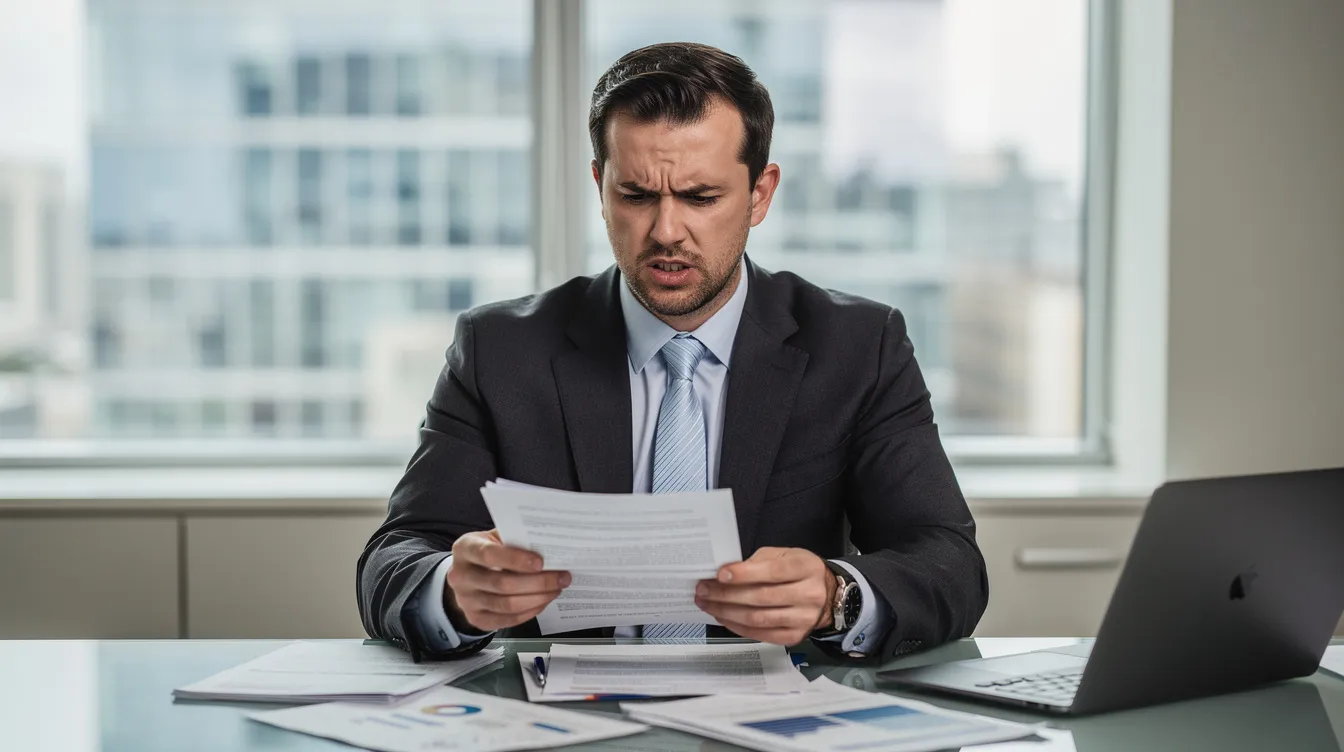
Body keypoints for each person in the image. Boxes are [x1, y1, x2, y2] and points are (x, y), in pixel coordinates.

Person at [357, 42, 988, 663]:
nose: (665, 232)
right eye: (636, 196)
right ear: (601, 186)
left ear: (760, 194)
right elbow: (397, 555)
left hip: (773, 723)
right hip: (565, 722)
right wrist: (455, 591)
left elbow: (948, 561)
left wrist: (836, 597)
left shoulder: (858, 347)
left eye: (700, 197)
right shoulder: (499, 350)